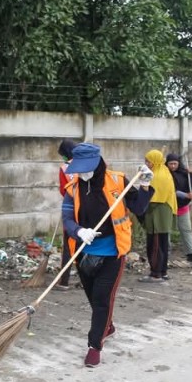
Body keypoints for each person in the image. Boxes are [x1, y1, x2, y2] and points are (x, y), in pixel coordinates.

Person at [62, 143, 153, 367]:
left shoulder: (119, 181)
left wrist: (145, 185)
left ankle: (94, 346)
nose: (82, 174)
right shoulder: (73, 188)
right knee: (94, 299)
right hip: (83, 253)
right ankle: (107, 327)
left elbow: (139, 208)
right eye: (78, 169)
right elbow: (67, 220)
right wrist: (79, 231)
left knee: (102, 299)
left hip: (113, 252)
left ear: (97, 163)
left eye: (85, 169)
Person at [139, 149, 177, 283]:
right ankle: (162, 272)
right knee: (162, 244)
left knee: (155, 245)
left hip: (157, 215)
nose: (146, 163)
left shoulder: (157, 176)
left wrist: (143, 179)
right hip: (162, 214)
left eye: (148, 161)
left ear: (155, 161)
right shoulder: (164, 171)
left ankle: (155, 274)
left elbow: (149, 197)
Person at [166, 153, 192, 263]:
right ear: (167, 164)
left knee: (186, 230)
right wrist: (185, 195)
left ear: (179, 163)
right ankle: (166, 255)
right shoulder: (165, 174)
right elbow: (170, 191)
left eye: (175, 164)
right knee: (166, 231)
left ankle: (191, 254)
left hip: (182, 206)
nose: (173, 166)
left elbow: (191, 185)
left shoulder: (184, 173)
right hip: (168, 206)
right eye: (171, 164)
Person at [56, 139, 79, 291]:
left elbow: (64, 190)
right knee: (84, 244)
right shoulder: (87, 164)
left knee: (68, 246)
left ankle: (64, 281)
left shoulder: (64, 168)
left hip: (71, 209)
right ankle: (86, 280)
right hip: (87, 209)